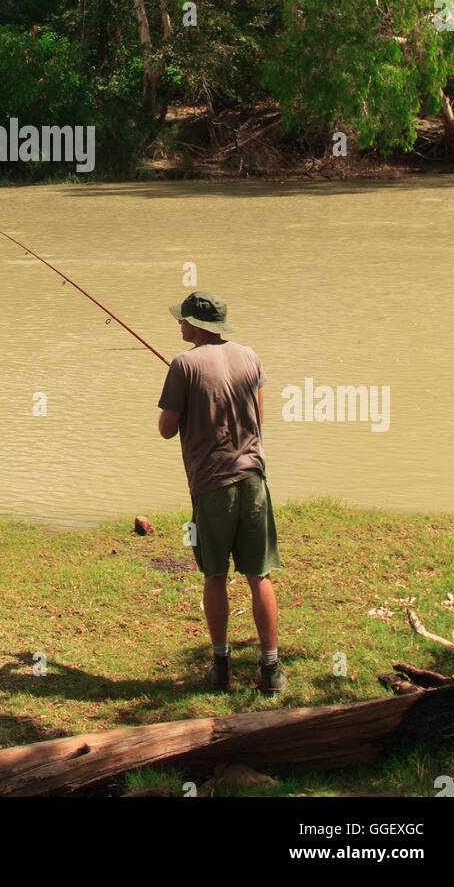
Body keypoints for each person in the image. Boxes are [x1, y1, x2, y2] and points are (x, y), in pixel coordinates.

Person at [157, 291, 286, 695]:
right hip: (253, 481)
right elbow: (258, 418)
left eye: (183, 319)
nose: (179, 324)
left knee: (214, 575)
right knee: (258, 575)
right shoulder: (250, 356)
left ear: (197, 325)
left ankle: (221, 667)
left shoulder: (183, 364)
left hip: (212, 486)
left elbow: (166, 428)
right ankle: (270, 670)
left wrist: (190, 395)